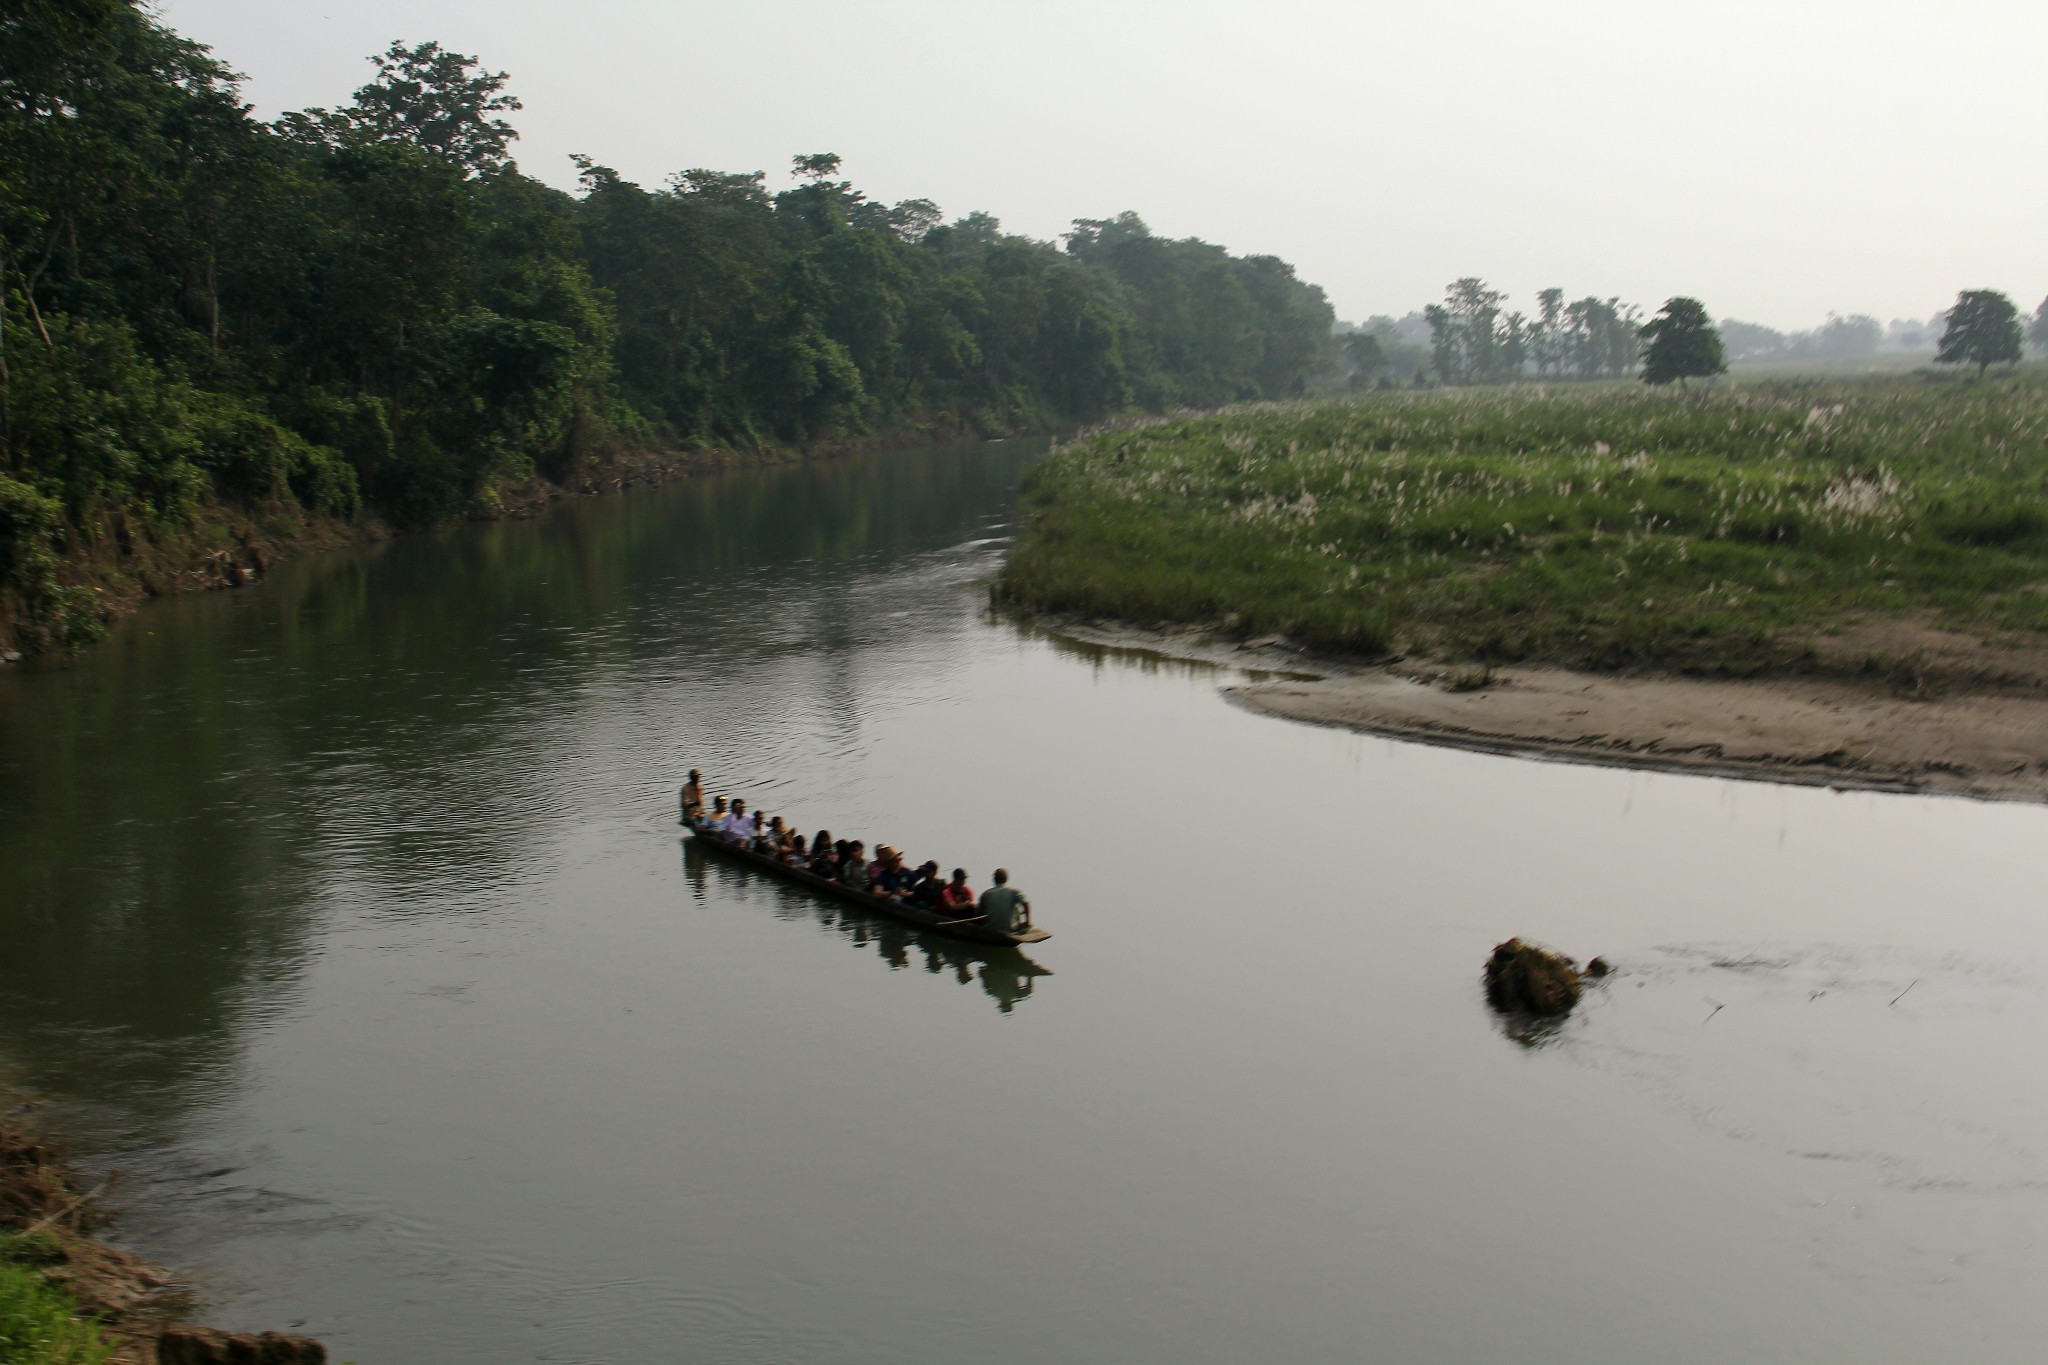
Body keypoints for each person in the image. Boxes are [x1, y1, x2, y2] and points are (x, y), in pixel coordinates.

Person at [978, 868, 1031, 933]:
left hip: (991, 929)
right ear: (1006, 879)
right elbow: (1026, 903)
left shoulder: (985, 894)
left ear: (994, 880)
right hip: (1010, 929)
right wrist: (1028, 921)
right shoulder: (1014, 892)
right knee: (1016, 909)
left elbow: (979, 912)